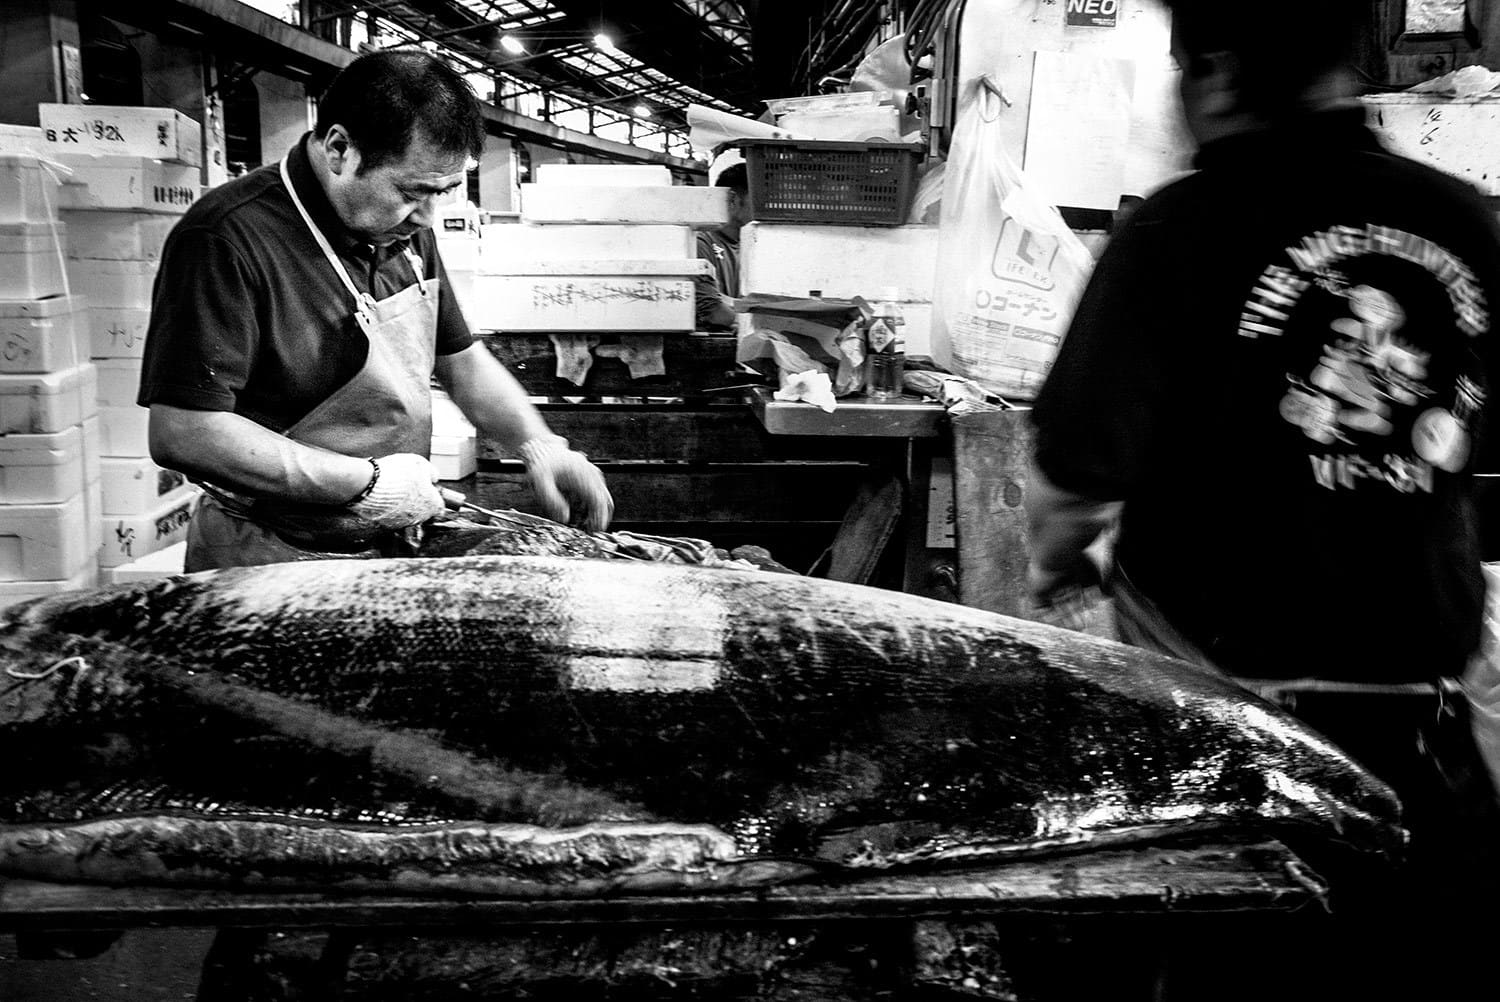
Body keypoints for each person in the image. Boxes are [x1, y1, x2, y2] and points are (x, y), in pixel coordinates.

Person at [1025, 1, 1500, 997]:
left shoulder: (1178, 228)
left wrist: (1059, 570)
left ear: (1218, 72)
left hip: (1228, 757)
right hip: (1423, 745)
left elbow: (1073, 479)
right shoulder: (1468, 222)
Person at [138, 50, 613, 571]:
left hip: (382, 543)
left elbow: (461, 361)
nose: (429, 214)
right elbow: (184, 431)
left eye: (446, 191)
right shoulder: (226, 238)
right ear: (340, 149)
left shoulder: (404, 231)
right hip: (266, 552)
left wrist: (540, 446)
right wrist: (367, 484)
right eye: (413, 192)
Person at [693, 161, 753, 331]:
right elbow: (714, 312)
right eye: (758, 199)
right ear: (733, 200)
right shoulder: (700, 243)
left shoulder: (752, 248)